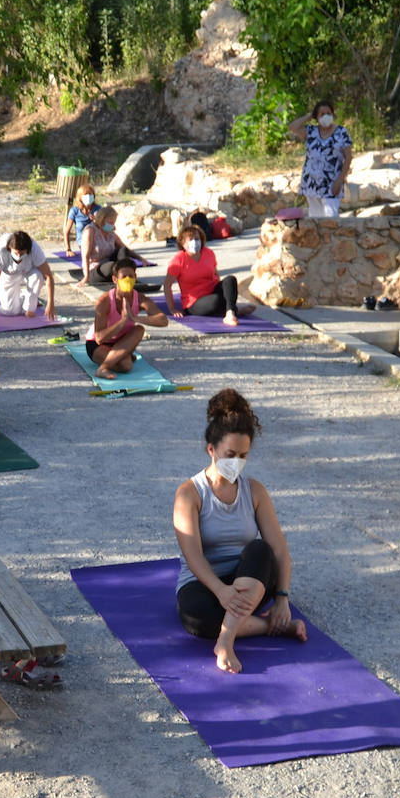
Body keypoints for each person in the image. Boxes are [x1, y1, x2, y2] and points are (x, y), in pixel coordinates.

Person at [173, 389, 305, 674]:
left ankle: (226, 639)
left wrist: (282, 598)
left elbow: (279, 550)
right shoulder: (189, 494)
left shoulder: (255, 491)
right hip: (205, 583)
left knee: (260, 549)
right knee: (196, 619)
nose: (236, 462)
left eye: (243, 455)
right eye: (229, 454)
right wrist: (221, 591)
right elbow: (193, 556)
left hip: (250, 579)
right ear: (212, 450)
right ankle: (273, 627)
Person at [87, 259, 168, 380]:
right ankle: (105, 367)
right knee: (126, 365)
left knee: (139, 329)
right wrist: (123, 322)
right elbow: (99, 338)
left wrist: (136, 318)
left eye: (131, 276)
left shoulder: (139, 298)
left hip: (120, 341)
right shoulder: (104, 301)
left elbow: (163, 320)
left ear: (135, 277)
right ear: (115, 279)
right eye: (123, 277)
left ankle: (113, 360)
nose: (127, 279)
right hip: (97, 344)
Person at [164, 225, 255, 327]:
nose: (195, 242)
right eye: (191, 239)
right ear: (182, 242)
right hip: (194, 302)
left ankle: (230, 313)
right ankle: (234, 309)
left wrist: (226, 292)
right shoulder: (178, 260)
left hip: (212, 290)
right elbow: (167, 285)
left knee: (230, 280)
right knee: (216, 300)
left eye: (197, 239)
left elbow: (216, 274)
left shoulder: (208, 253)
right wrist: (172, 309)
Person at [288, 100, 352, 218]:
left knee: (331, 218)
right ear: (316, 117)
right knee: (315, 220)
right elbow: (292, 127)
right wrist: (309, 116)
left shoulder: (341, 132)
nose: (326, 116)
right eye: (322, 114)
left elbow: (348, 157)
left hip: (332, 183)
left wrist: (340, 180)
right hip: (311, 183)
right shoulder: (310, 131)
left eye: (328, 113)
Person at [0, 230, 56, 321]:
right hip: (8, 273)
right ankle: (23, 294)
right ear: (9, 248)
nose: (19, 256)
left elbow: (48, 276)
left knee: (38, 276)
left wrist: (50, 304)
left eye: (22, 253)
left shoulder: (35, 250)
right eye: (16, 253)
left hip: (28, 270)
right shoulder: (0, 251)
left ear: (28, 250)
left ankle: (30, 305)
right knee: (9, 311)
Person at [78, 206, 139, 287]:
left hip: (109, 262)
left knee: (123, 251)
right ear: (102, 220)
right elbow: (86, 255)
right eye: (110, 222)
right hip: (96, 268)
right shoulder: (90, 230)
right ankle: (121, 275)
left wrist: (141, 259)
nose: (112, 225)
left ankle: (126, 274)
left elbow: (124, 248)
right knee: (112, 266)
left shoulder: (110, 232)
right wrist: (86, 277)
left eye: (113, 223)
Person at [62, 183, 101, 254]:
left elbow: (107, 227)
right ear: (80, 197)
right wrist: (68, 249)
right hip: (83, 243)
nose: (88, 197)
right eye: (86, 195)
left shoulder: (98, 209)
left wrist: (96, 221)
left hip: (98, 242)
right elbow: (66, 231)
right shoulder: (75, 211)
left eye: (90, 194)